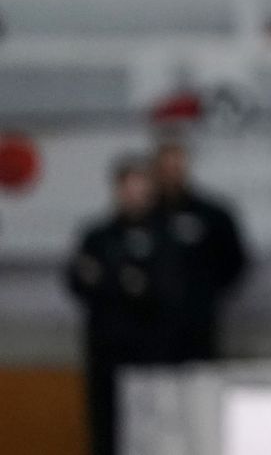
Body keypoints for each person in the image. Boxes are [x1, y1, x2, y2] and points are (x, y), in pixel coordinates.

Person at [65, 155, 181, 455]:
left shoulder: (164, 236)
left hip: (151, 353)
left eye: (140, 188)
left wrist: (107, 278)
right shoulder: (98, 236)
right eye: (127, 187)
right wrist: (124, 281)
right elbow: (78, 280)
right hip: (105, 350)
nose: (133, 195)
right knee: (106, 429)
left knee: (151, 430)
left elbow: (160, 289)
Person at [151, 136, 250, 361]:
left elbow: (235, 260)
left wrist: (206, 294)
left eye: (177, 165)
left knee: (198, 382)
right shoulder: (145, 216)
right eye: (166, 167)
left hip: (199, 324)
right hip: (149, 329)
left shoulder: (211, 215)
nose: (172, 173)